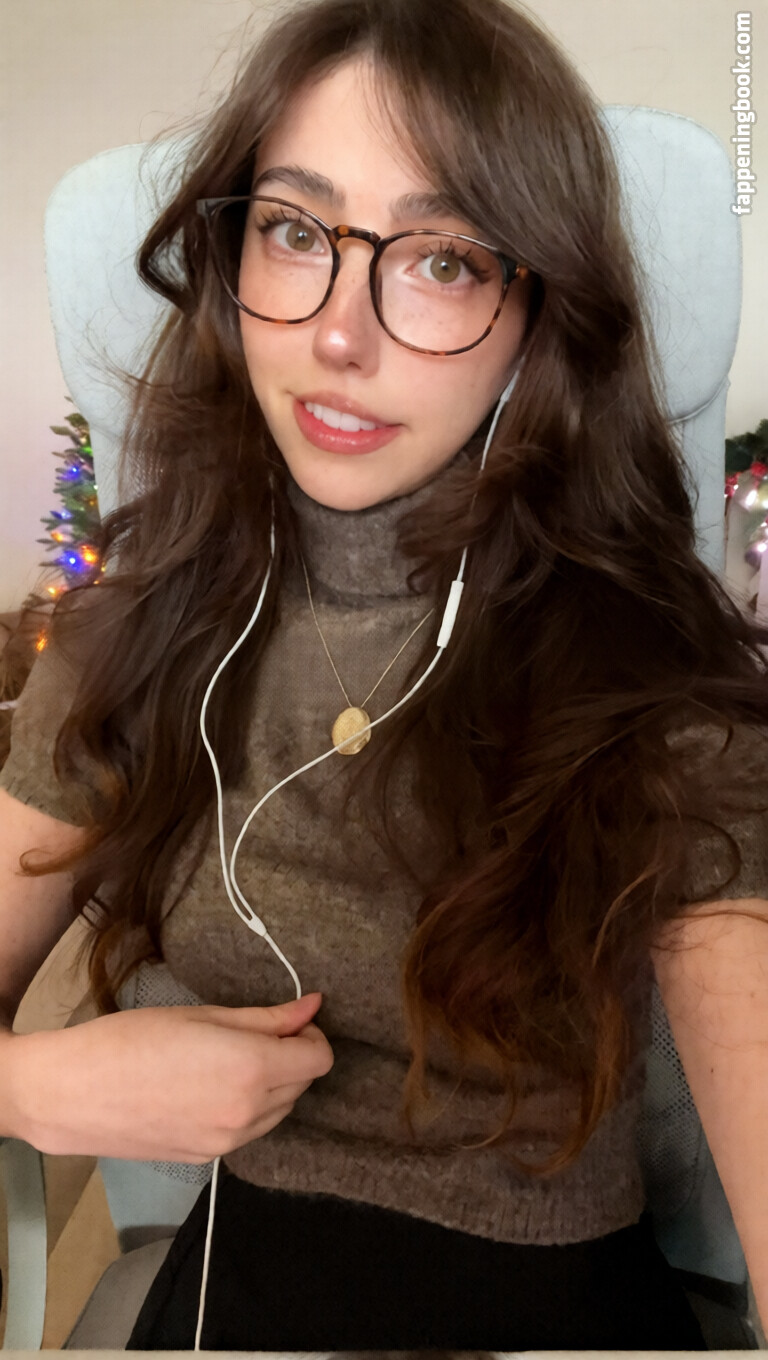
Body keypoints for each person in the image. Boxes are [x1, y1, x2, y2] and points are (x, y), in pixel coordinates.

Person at [1, 0, 767, 1349]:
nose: (339, 337)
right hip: (239, 1286)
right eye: (296, 231)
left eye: (444, 260)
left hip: (552, 1307)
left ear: (538, 311)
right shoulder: (140, 635)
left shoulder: (647, 674)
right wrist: (32, 1091)